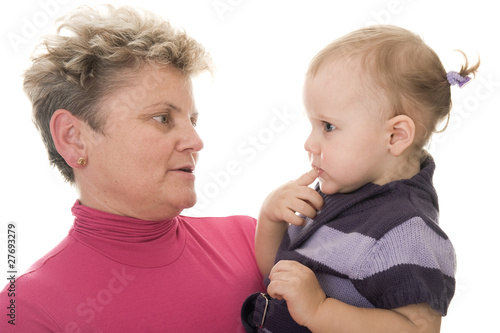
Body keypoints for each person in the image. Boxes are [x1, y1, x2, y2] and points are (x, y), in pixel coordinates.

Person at [0, 5, 264, 332]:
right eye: (162, 118)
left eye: (192, 120)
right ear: (74, 139)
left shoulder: (255, 241)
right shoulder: (26, 309)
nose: (195, 141)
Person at [241, 25, 479, 332]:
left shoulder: (407, 232)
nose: (309, 144)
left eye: (328, 126)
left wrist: (319, 310)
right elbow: (275, 276)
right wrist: (270, 217)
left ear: (395, 136)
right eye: (313, 124)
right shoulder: (337, 193)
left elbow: (419, 329)